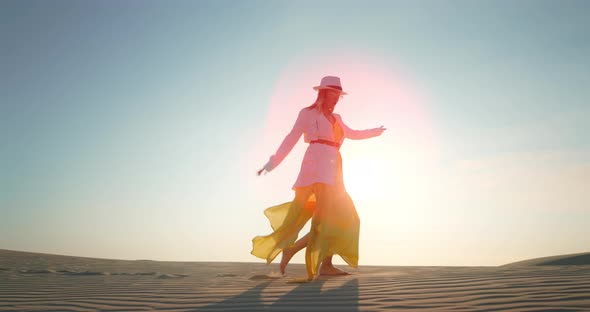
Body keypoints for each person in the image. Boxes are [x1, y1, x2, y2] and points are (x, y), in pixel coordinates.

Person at [251, 76, 386, 280]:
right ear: (323, 93)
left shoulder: (337, 118)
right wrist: (272, 163)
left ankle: (322, 262)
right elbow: (291, 137)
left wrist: (375, 132)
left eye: (339, 96)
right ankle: (310, 258)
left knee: (345, 217)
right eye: (333, 95)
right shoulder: (308, 113)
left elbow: (352, 133)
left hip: (335, 167)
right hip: (317, 165)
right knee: (325, 218)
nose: (336, 99)